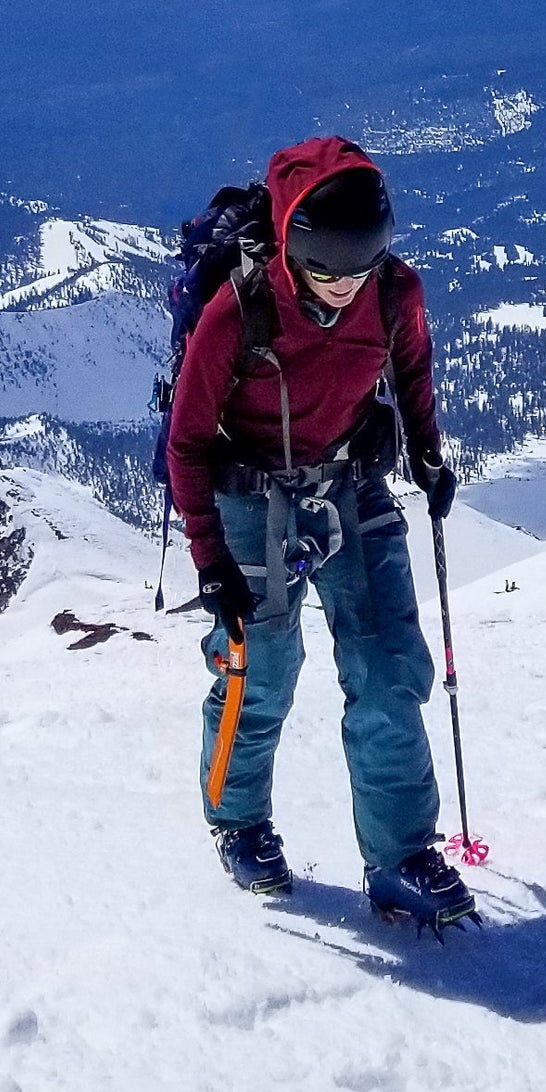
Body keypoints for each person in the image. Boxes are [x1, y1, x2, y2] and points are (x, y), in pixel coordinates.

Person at [164, 135, 469, 927]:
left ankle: (401, 857)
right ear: (294, 249)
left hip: (351, 482)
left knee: (389, 664)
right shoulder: (241, 308)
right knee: (257, 669)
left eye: (357, 269)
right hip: (248, 497)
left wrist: (429, 457)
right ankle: (237, 825)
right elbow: (188, 440)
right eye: (326, 271)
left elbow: (410, 376)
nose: (341, 288)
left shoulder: (392, 291)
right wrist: (210, 561)